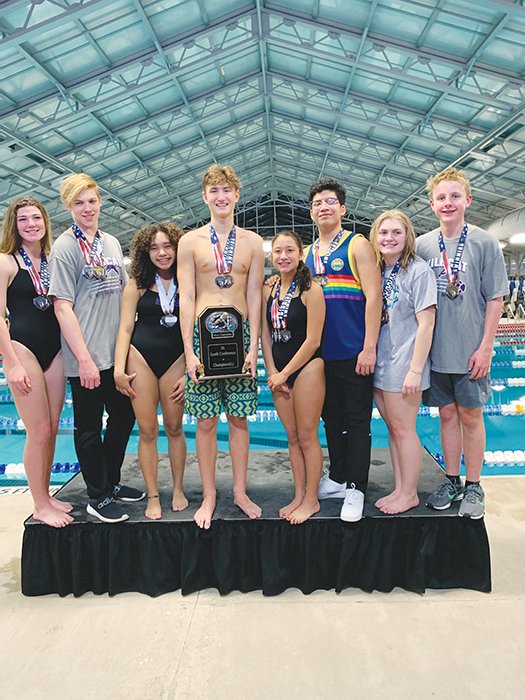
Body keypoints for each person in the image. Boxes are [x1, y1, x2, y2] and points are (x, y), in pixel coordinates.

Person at [49, 173, 145, 524]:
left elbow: (122, 295)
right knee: (89, 427)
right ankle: (97, 496)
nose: (87, 208)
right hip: (85, 357)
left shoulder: (111, 242)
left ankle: (110, 482)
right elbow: (62, 307)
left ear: (100, 201)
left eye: (91, 201)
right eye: (79, 203)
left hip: (113, 354)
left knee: (124, 416)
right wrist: (85, 360)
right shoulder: (64, 248)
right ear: (69, 207)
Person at [416, 167, 508, 518]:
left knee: (471, 416)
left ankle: (474, 485)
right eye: (441, 197)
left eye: (455, 196)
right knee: (447, 416)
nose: (448, 203)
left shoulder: (484, 242)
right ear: (431, 204)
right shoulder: (424, 245)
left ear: (468, 200)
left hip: (471, 350)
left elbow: (496, 298)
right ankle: (452, 479)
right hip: (437, 352)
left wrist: (485, 347)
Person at [178, 164, 264, 529]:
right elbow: (186, 298)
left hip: (240, 336)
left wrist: (254, 347)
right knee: (206, 420)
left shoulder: (253, 242)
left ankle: (241, 491)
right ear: (204, 196)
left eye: (227, 189)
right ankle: (210, 494)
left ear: (237, 195)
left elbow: (255, 295)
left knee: (239, 417)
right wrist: (189, 352)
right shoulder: (189, 242)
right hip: (203, 337)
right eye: (214, 190)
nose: (221, 196)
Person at [304, 178, 382, 522]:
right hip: (321, 355)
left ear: (342, 209)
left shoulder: (357, 245)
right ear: (311, 212)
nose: (324, 207)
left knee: (356, 421)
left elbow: (375, 297)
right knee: (331, 419)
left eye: (330, 201)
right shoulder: (308, 252)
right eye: (318, 203)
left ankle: (357, 487)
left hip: (353, 350)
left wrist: (369, 347)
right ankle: (337, 476)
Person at [0, 196, 72, 527]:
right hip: (24, 350)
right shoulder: (6, 262)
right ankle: (39, 504)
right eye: (23, 219)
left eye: (36, 218)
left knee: (53, 429)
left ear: (45, 222)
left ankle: (46, 494)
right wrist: (11, 363)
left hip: (54, 350)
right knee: (38, 430)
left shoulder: (52, 259)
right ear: (14, 226)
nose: (31, 224)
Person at [114, 222, 187, 519]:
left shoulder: (187, 280)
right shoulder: (137, 283)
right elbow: (125, 328)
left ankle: (179, 488)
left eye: (167, 246)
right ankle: (153, 494)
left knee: (174, 427)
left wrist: (191, 370)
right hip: (140, 358)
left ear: (177, 248)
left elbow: (197, 327)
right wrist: (119, 369)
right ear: (146, 252)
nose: (162, 253)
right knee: (147, 431)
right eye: (154, 247)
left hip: (176, 361)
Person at [370, 210, 437, 514]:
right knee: (394, 429)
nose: (389, 238)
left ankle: (409, 493)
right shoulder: (376, 270)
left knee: (404, 429)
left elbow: (427, 323)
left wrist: (415, 369)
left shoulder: (418, 271)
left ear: (407, 236)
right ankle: (400, 487)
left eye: (397, 232)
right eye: (384, 233)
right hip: (381, 360)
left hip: (404, 363)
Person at [261, 231, 325, 524]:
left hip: (308, 367)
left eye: (289, 251)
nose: (283, 256)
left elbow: (313, 340)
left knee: (308, 436)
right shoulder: (269, 289)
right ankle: (299, 494)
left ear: (301, 255)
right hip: (279, 370)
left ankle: (312, 500)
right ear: (271, 257)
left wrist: (285, 373)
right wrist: (272, 371)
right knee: (293, 437)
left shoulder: (312, 290)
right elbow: (264, 333)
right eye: (278, 252)